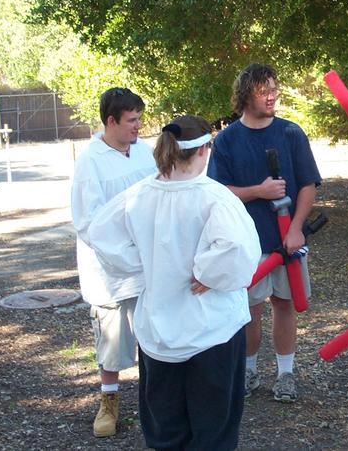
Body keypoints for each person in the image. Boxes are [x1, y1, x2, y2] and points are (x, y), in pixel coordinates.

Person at [87, 115, 261, 450]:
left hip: (159, 330)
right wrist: (207, 273)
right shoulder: (214, 197)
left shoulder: (139, 194)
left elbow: (101, 233)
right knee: (213, 431)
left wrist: (144, 265)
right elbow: (239, 250)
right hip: (212, 330)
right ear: (204, 150)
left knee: (166, 428)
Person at [207, 63, 321, 402]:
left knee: (285, 305)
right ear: (246, 95)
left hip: (287, 241)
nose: (271, 96)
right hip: (246, 244)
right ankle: (249, 371)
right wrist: (259, 191)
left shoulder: (291, 133)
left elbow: (308, 184)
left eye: (274, 89)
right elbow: (218, 192)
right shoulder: (227, 140)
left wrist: (296, 229)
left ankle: (285, 374)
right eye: (263, 91)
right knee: (249, 309)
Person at [70, 87, 157, 437]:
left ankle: (155, 403)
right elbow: (88, 222)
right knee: (112, 339)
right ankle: (109, 402)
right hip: (110, 269)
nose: (138, 126)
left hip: (146, 263)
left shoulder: (144, 152)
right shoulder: (90, 162)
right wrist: (124, 254)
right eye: (132, 120)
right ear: (111, 121)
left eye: (139, 119)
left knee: (153, 335)